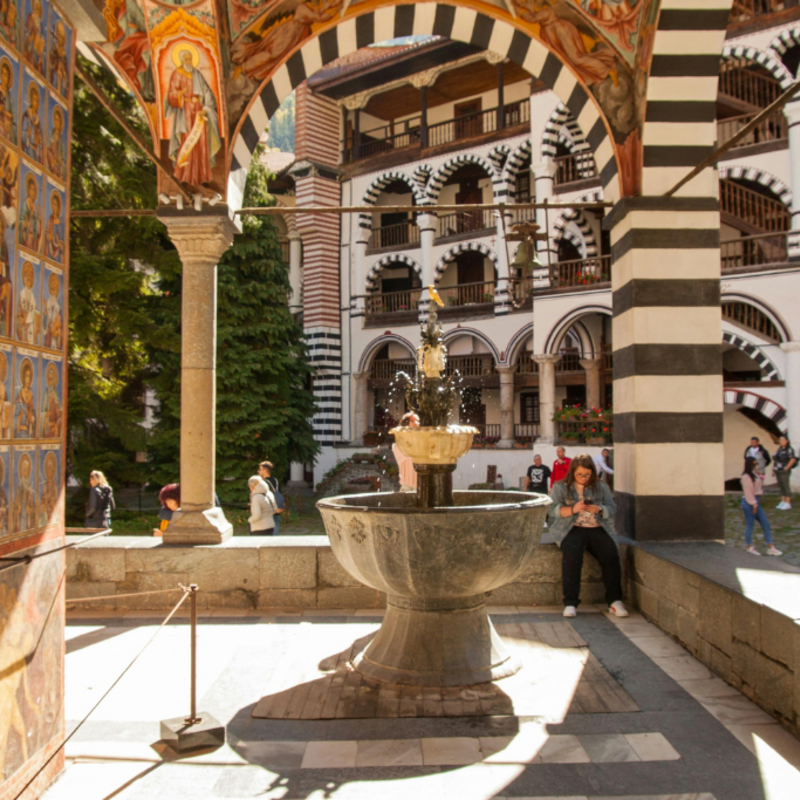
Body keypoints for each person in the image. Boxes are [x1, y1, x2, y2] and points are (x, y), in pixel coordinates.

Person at [548, 453, 628, 619]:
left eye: (587, 475)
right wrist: (572, 509)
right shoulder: (560, 486)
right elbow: (551, 510)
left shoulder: (601, 486)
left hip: (597, 527)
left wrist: (599, 510)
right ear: (572, 473)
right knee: (571, 557)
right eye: (579, 475)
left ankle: (615, 601)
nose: (583, 478)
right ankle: (570, 602)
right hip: (571, 528)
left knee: (611, 556)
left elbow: (611, 508)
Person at [164, 46, 221, 186]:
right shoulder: (176, 74)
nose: (190, 62)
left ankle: (202, 177)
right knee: (187, 142)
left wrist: (206, 109)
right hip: (185, 112)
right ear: (182, 60)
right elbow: (170, 95)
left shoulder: (197, 74)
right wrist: (180, 94)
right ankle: (185, 176)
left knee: (201, 144)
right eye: (187, 59)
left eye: (191, 59)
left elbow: (208, 93)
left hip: (199, 112)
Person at [740, 456, 782, 556]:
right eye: (754, 464)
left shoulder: (754, 473)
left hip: (756, 500)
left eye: (756, 464)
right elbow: (748, 492)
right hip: (750, 502)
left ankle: (770, 547)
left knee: (765, 523)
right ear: (749, 464)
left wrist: (759, 474)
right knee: (750, 525)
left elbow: (759, 483)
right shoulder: (746, 477)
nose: (756, 466)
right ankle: (749, 546)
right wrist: (754, 504)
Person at [393, 411, 419, 492]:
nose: (417, 423)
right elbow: (410, 457)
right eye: (413, 421)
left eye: (418, 421)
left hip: (420, 487)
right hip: (407, 487)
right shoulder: (398, 446)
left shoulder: (420, 442)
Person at [258, 460, 284, 533]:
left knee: (267, 531)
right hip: (278, 507)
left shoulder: (263, 483)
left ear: (265, 470)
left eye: (260, 469)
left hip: (269, 509)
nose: (258, 471)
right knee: (275, 527)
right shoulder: (276, 480)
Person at [773, 435, 797, 510]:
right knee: (781, 486)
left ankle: (788, 502)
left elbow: (792, 459)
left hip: (784, 470)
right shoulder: (779, 449)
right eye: (780, 440)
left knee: (785, 485)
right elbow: (775, 460)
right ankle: (783, 501)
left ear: (787, 441)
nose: (781, 441)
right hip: (777, 469)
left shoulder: (789, 449)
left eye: (783, 440)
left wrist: (786, 468)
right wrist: (773, 469)